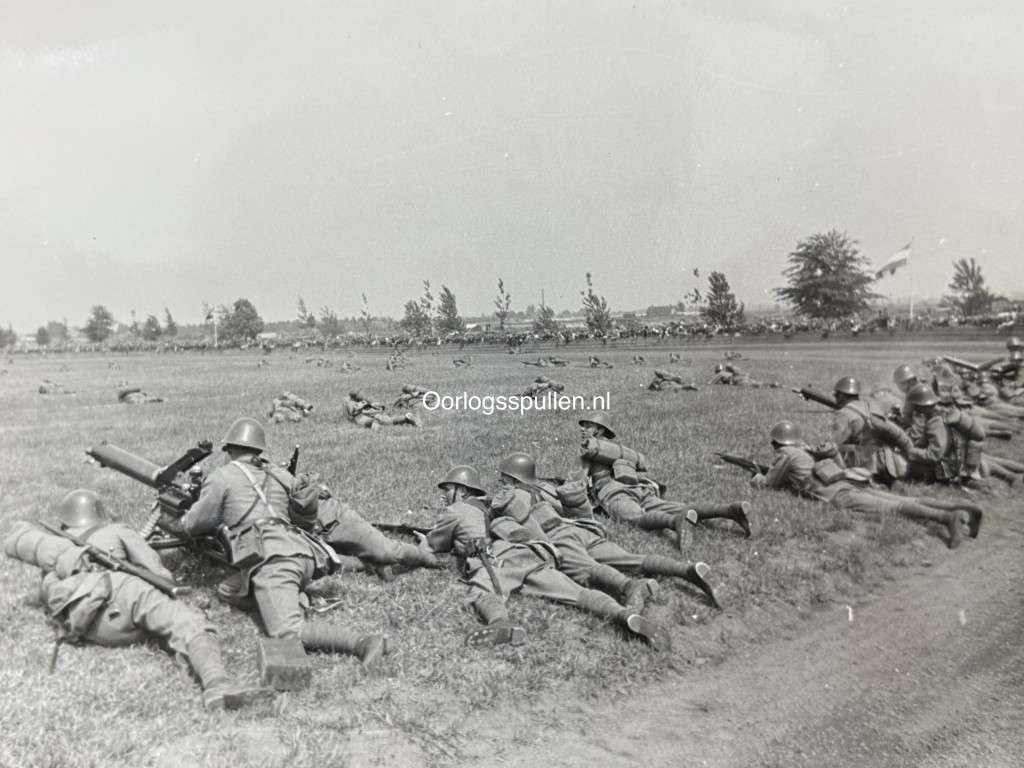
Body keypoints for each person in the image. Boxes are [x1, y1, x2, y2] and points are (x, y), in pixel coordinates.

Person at [3, 490, 273, 711]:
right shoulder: (118, 530)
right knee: (189, 622)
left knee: (158, 618)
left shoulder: (59, 549)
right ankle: (217, 683)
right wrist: (170, 594)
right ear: (100, 514)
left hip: (89, 624)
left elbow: (49, 591)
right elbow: (156, 570)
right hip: (125, 601)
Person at [158, 418, 389, 668]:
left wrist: (168, 520)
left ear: (230, 450)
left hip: (274, 561)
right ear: (259, 451)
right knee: (227, 590)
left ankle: (364, 642)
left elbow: (194, 525)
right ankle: (361, 568)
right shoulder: (278, 474)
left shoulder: (221, 477)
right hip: (304, 551)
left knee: (287, 632)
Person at [417, 465, 672, 651]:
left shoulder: (456, 510)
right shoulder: (495, 504)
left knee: (483, 593)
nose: (444, 494)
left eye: (448, 488)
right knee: (577, 594)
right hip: (530, 552)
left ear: (461, 491)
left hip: (498, 560)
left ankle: (500, 624)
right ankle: (622, 615)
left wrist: (422, 541)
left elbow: (433, 545)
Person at [492, 453, 718, 608]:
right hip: (580, 530)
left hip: (556, 537)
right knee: (630, 558)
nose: (500, 482)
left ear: (513, 478)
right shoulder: (547, 488)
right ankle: (686, 570)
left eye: (503, 478)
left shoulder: (515, 496)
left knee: (589, 569)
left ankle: (630, 586)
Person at [750, 422, 981, 550]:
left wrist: (757, 476)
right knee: (903, 501)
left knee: (893, 508)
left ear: (776, 442)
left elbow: (769, 485)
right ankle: (955, 506)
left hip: (839, 494)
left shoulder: (786, 454)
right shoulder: (807, 448)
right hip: (852, 480)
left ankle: (946, 518)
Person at [576, 411, 751, 544]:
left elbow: (578, 481)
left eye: (588, 426)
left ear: (599, 430)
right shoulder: (615, 448)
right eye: (582, 425)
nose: (583, 429)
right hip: (638, 488)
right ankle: (730, 510)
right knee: (676, 506)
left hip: (614, 493)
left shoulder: (588, 450)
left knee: (632, 517)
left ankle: (675, 523)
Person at [342, 391, 420, 430]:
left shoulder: (347, 400)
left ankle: (375, 420)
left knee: (365, 422)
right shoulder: (365, 399)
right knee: (391, 420)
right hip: (375, 409)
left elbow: (349, 414)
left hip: (361, 413)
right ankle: (406, 418)